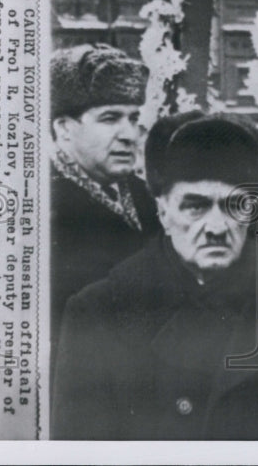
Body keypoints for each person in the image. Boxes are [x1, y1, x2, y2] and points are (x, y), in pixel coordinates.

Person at [52, 112, 258, 439]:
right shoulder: (99, 313)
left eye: (234, 207)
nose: (215, 227)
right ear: (163, 212)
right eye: (195, 206)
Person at [49, 43, 158, 362]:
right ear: (64, 129)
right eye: (110, 118)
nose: (130, 134)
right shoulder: (40, 212)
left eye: (133, 117)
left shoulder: (143, 194)